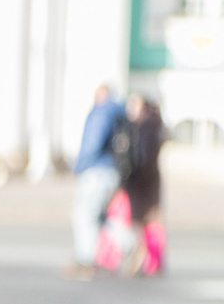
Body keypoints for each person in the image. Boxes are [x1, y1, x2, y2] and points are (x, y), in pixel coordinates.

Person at [69, 84, 125, 277]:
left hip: (97, 170)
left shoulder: (102, 113)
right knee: (101, 216)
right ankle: (129, 243)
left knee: (85, 215)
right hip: (111, 171)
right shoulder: (118, 113)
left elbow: (93, 143)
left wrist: (80, 164)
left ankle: (86, 259)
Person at [119, 91, 168, 276]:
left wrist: (131, 178)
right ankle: (148, 261)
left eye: (135, 105)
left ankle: (145, 260)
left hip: (143, 185)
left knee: (143, 224)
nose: (131, 109)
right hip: (144, 184)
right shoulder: (145, 127)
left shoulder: (148, 128)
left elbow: (145, 159)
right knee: (145, 224)